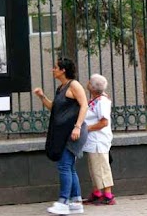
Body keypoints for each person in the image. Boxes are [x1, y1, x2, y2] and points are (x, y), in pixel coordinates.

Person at [34, 57, 89, 215]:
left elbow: (84, 105)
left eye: (55, 67)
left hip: (73, 131)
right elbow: (54, 108)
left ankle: (63, 201)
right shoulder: (61, 88)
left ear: (63, 70)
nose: (53, 70)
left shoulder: (74, 85)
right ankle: (76, 201)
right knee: (69, 167)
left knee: (64, 166)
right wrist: (42, 96)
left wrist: (77, 126)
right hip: (65, 132)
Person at [82, 74, 116, 206]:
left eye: (90, 82)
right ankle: (97, 192)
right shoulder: (96, 99)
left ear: (92, 87)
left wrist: (87, 129)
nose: (87, 83)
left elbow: (103, 122)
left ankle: (108, 194)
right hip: (93, 140)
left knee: (102, 167)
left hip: (99, 140)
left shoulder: (101, 102)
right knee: (95, 167)